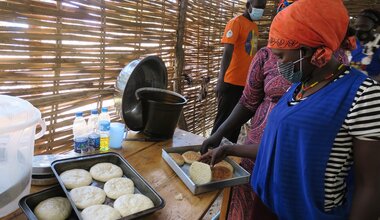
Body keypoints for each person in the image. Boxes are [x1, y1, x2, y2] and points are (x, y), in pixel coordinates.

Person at [201, 0, 380, 219]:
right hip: (266, 204)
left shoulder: (363, 95)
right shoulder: (300, 87)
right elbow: (280, 148)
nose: (276, 65)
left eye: (281, 56)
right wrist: (229, 149)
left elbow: (370, 186)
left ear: (313, 51)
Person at [211, 0, 267, 143]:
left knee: (234, 124)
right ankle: (208, 154)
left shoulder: (254, 27)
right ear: (248, 5)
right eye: (257, 6)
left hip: (245, 84)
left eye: (263, 7)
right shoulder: (236, 22)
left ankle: (226, 158)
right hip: (230, 82)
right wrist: (221, 80)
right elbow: (227, 52)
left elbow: (249, 53)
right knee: (222, 122)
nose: (260, 10)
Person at [350, 9, 380, 81]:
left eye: (364, 26)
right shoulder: (353, 44)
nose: (359, 29)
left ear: (374, 26)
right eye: (356, 26)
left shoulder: (378, 45)